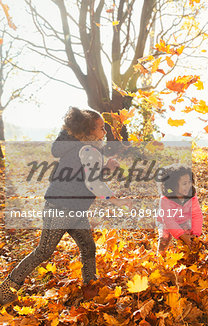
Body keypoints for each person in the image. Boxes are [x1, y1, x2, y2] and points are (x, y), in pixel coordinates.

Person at [0, 107, 132, 306]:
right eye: (101, 128)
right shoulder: (88, 149)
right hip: (61, 208)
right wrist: (117, 200)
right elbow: (93, 182)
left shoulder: (80, 147)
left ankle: (90, 285)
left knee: (88, 247)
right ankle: (6, 291)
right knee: (44, 251)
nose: (105, 132)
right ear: (88, 131)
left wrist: (105, 167)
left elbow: (82, 174)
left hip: (75, 210)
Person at [156, 164, 203, 253]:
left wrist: (196, 235)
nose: (188, 186)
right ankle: (160, 257)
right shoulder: (166, 199)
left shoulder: (191, 195)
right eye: (184, 184)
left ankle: (188, 255)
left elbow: (196, 215)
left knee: (190, 237)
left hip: (183, 221)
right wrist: (181, 235)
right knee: (164, 238)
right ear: (173, 186)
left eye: (189, 182)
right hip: (166, 222)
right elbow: (168, 220)